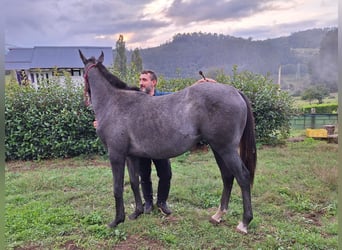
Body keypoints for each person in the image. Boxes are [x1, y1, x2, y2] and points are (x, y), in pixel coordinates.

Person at [93, 70, 216, 216]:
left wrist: (197, 85)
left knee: (165, 174)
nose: (141, 82)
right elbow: (117, 113)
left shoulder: (163, 97)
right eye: (140, 79)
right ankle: (148, 203)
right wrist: (103, 123)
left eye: (144, 79)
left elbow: (181, 97)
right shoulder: (133, 97)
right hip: (140, 143)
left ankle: (162, 202)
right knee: (144, 175)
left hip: (159, 142)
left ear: (154, 82)